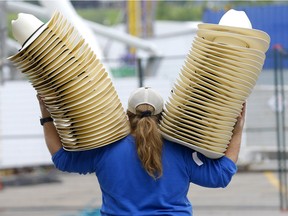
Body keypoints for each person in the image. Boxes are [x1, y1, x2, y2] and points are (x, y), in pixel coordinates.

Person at [37, 86, 246, 216]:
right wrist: (236, 131)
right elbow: (221, 175)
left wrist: (47, 116)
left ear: (127, 115)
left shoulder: (105, 149)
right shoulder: (181, 150)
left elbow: (62, 159)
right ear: (163, 116)